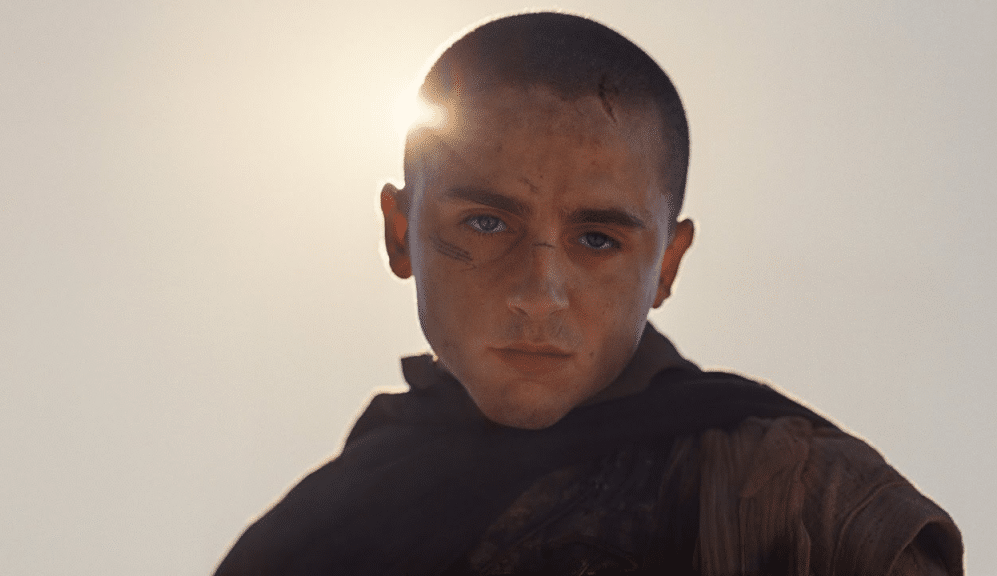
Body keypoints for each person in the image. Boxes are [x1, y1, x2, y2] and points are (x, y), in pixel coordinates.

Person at [214, 12, 963, 575]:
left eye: (598, 239)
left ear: (666, 266)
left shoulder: (796, 500)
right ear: (401, 232)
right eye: (486, 223)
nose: (539, 294)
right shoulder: (311, 534)